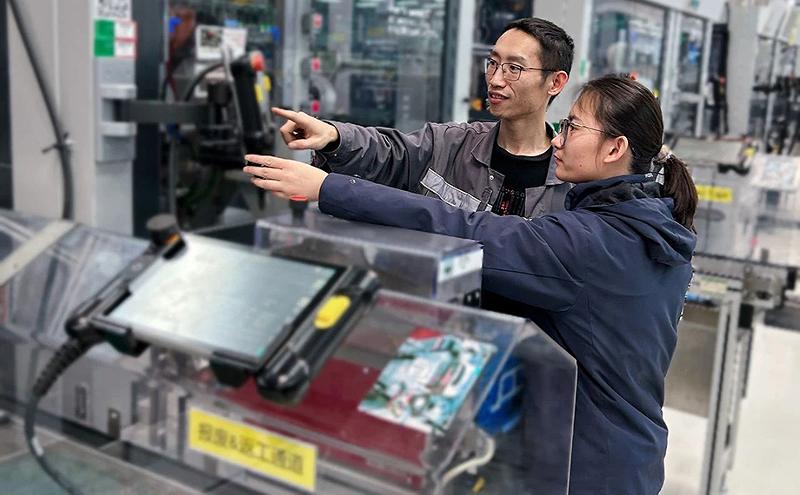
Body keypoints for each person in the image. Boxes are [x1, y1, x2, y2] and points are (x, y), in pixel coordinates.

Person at [244, 74, 699, 495]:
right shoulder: (650, 224)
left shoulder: (594, 243)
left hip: (585, 469)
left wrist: (328, 188)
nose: (558, 139)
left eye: (573, 128)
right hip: (617, 453)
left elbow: (467, 228)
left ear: (615, 148)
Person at [270, 17, 574, 219]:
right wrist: (333, 136)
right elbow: (389, 152)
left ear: (555, 82)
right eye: (492, 63)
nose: (495, 80)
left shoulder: (571, 179)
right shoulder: (450, 145)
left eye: (514, 68)